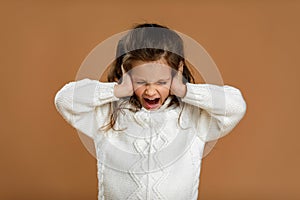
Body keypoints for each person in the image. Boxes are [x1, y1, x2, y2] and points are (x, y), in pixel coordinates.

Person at [54, 23, 246, 200]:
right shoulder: (107, 114)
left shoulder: (193, 115)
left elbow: (236, 105)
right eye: (141, 82)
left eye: (162, 82)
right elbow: (64, 99)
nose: (151, 91)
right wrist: (118, 90)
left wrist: (184, 90)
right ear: (125, 73)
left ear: (177, 71)